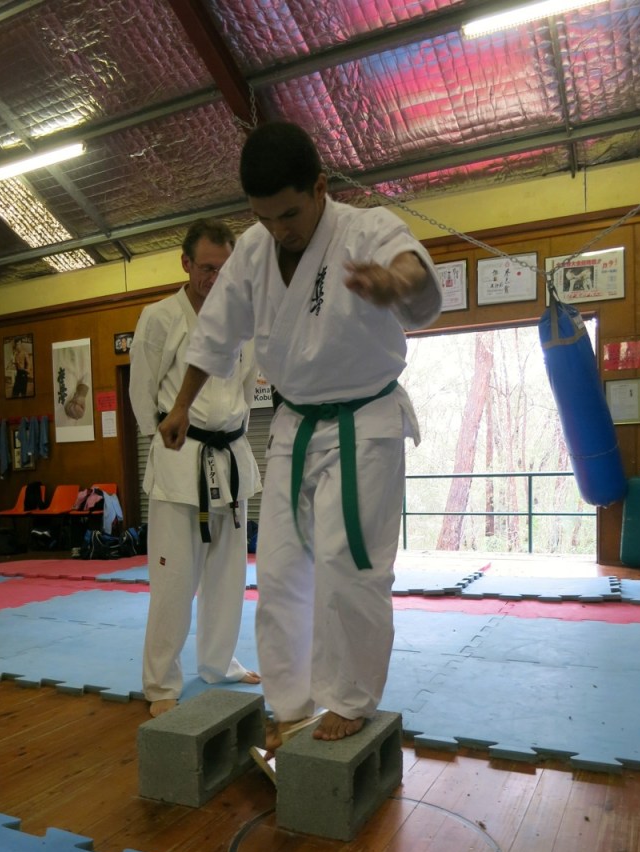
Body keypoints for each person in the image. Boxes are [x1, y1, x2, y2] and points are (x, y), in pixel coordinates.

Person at [158, 122, 442, 748]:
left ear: (319, 188)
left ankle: (350, 698)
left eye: (289, 213)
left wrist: (396, 282)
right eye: (264, 217)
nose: (279, 229)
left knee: (350, 565)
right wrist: (181, 407)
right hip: (293, 422)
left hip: (365, 420)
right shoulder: (253, 252)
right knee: (280, 568)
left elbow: (412, 268)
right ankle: (288, 703)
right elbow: (216, 333)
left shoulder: (364, 228)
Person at [129, 218, 262, 717]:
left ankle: (218, 662)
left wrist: (234, 430)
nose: (215, 277)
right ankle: (161, 682)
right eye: (207, 267)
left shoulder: (243, 319)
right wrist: (164, 443)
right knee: (174, 581)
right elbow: (141, 394)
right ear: (186, 263)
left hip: (231, 456)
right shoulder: (160, 317)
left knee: (229, 577)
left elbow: (246, 386)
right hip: (181, 459)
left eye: (225, 268)